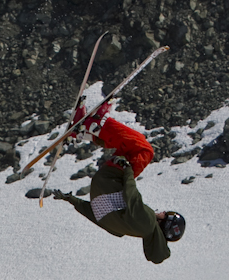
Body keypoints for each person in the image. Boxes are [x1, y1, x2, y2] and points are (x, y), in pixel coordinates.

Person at [53, 102, 186, 264]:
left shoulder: (148, 223)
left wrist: (127, 169)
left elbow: (132, 197)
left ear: (165, 223)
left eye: (167, 214)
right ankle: (85, 133)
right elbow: (98, 218)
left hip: (110, 179)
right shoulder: (130, 230)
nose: (163, 211)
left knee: (145, 150)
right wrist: (71, 200)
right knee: (127, 146)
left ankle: (94, 123)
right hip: (102, 186)